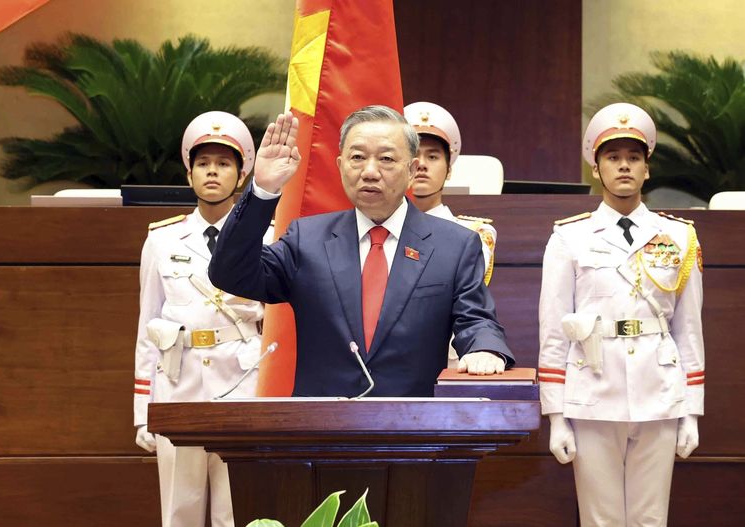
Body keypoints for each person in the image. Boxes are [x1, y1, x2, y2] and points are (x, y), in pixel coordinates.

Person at [208, 106, 514, 398]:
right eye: (357, 157)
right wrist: (263, 189)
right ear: (340, 166)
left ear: (411, 170)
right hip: (321, 425)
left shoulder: (455, 245)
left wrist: (485, 349)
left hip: (414, 423)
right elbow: (230, 273)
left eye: (386, 159)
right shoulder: (307, 239)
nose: (369, 171)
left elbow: (476, 319)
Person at [538, 102, 704, 526]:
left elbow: (688, 329)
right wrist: (556, 416)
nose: (624, 166)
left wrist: (691, 410)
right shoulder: (569, 237)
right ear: (596, 168)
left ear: (647, 168)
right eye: (613, 157)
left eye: (634, 157)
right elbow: (554, 331)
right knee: (600, 519)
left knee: (651, 518)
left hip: (659, 390)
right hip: (593, 390)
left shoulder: (679, 236)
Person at [133, 111, 269, 527]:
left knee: (237, 510)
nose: (212, 172)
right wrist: (144, 410)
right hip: (179, 386)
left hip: (243, 382)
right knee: (180, 510)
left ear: (242, 174)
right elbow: (148, 327)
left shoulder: (266, 237)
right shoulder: (161, 239)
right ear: (188, 173)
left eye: (224, 163)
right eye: (203, 163)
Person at [403, 101, 496, 286]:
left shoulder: (474, 233)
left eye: (432, 157)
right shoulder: (381, 228)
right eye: (413, 155)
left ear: (449, 170)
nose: (421, 164)